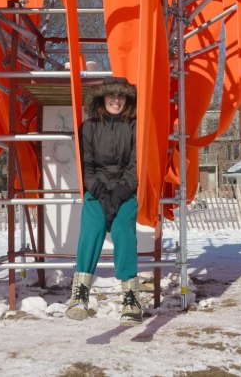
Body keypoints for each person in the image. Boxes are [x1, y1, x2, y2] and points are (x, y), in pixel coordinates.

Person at [66, 76, 142, 325]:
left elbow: (136, 165)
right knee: (92, 229)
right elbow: (86, 166)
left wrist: (119, 194)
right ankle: (80, 294)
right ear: (102, 98)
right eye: (111, 96)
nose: (116, 100)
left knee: (123, 232)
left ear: (127, 99)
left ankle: (130, 298)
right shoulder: (88, 127)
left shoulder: (135, 127)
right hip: (96, 189)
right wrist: (100, 192)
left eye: (121, 96)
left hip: (125, 189)